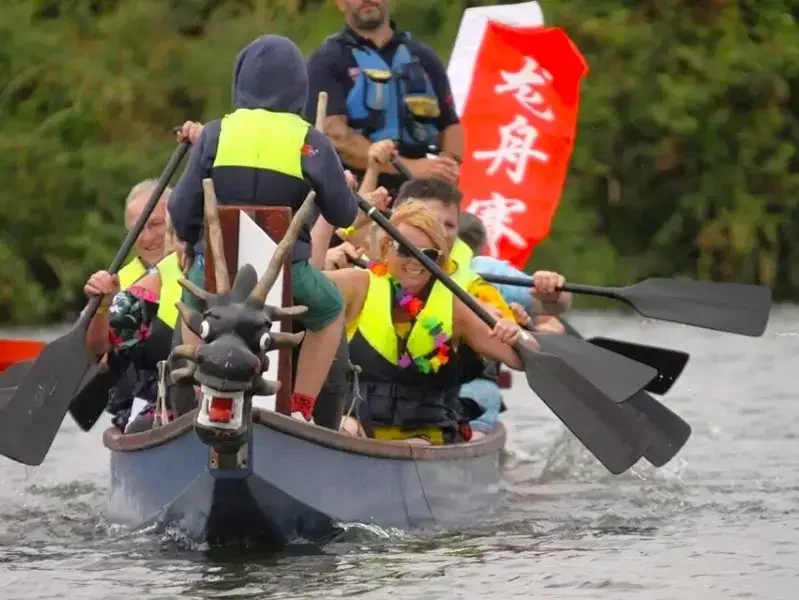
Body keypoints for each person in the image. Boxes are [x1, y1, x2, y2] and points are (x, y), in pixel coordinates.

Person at [169, 35, 378, 426]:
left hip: (218, 271)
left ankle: (202, 390)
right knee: (331, 312)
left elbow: (181, 209)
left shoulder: (215, 134)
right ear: (299, 87)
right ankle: (301, 407)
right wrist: (342, 188)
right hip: (287, 273)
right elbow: (344, 214)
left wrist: (191, 243)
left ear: (240, 80)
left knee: (191, 302)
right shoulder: (310, 142)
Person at [326, 201, 528, 445]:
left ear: (439, 260)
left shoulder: (456, 308)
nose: (415, 262)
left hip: (423, 436)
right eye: (405, 250)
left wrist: (517, 334)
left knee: (414, 445)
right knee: (344, 428)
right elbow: (295, 286)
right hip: (356, 426)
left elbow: (520, 358)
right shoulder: (356, 284)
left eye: (428, 255)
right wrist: (325, 258)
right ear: (387, 248)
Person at [306, 0, 463, 195]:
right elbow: (334, 136)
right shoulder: (327, 60)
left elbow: (450, 124)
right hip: (356, 192)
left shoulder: (424, 58)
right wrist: (410, 168)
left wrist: (444, 169)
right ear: (340, 3)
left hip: (420, 193)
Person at [82, 181, 188, 432]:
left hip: (193, 394)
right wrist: (101, 308)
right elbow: (96, 347)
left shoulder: (199, 265)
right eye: (137, 229)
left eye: (155, 225)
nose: (146, 237)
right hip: (141, 404)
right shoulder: (119, 281)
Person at [457, 212, 570, 435]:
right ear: (484, 244)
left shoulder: (486, 270)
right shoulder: (408, 269)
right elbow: (553, 317)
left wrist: (532, 326)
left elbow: (554, 309)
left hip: (473, 393)